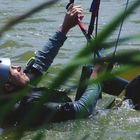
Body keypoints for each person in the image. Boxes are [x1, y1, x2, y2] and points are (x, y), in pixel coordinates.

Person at [0, 5, 101, 127]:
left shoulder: (14, 92)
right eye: (12, 69)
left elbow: (40, 62)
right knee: (95, 73)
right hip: (82, 120)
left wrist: (65, 27)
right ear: (8, 86)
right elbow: (83, 110)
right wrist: (97, 74)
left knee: (91, 71)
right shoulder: (29, 108)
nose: (18, 67)